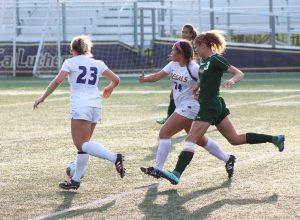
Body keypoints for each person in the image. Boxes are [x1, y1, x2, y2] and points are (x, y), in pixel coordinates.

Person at [158, 30, 285, 185]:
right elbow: (205, 80)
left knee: (191, 138)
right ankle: (274, 138)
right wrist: (197, 88)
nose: (195, 51)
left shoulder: (216, 59)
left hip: (210, 106)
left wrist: (232, 80)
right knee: (235, 139)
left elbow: (239, 73)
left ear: (204, 45)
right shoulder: (204, 62)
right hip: (213, 104)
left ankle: (176, 173)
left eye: (196, 47)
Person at [33, 35, 125, 190]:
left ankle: (115, 158)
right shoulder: (98, 63)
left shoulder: (70, 62)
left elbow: (57, 81)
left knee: (81, 144)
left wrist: (42, 97)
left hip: (81, 105)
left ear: (72, 50)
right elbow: (116, 79)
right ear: (87, 48)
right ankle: (75, 180)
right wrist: (109, 88)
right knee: (84, 146)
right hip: (95, 105)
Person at [139, 39, 236, 181]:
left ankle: (157, 168)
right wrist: (145, 79)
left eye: (173, 50)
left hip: (191, 106)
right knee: (200, 140)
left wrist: (200, 90)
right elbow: (156, 76)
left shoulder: (194, 67)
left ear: (181, 53)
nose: (171, 53)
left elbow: (206, 81)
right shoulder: (173, 64)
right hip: (182, 106)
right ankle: (228, 158)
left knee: (164, 133)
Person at [156, 24, 198, 125]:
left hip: (192, 77)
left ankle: (211, 116)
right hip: (183, 76)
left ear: (191, 34)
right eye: (183, 32)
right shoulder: (181, 44)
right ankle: (170, 116)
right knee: (173, 95)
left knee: (198, 97)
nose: (184, 34)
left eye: (186, 32)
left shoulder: (192, 46)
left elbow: (196, 63)